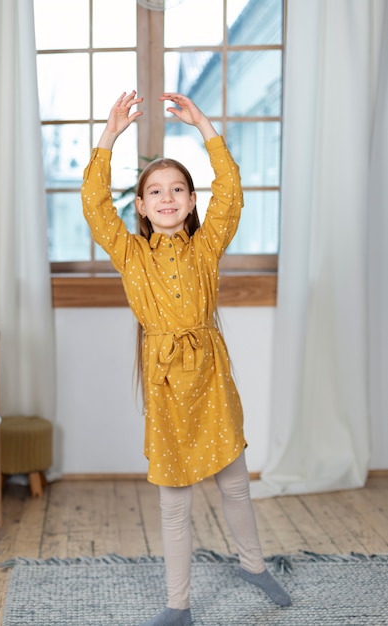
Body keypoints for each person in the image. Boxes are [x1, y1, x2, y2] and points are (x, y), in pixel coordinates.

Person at [82, 91, 291, 626]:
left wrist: (203, 125)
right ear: (143, 207)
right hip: (166, 384)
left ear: (192, 201)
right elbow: (94, 206)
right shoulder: (129, 253)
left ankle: (252, 565)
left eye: (178, 189)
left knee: (235, 484)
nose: (168, 197)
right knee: (175, 503)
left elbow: (233, 193)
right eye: (156, 191)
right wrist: (109, 136)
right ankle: (178, 604)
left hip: (211, 377)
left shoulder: (207, 248)